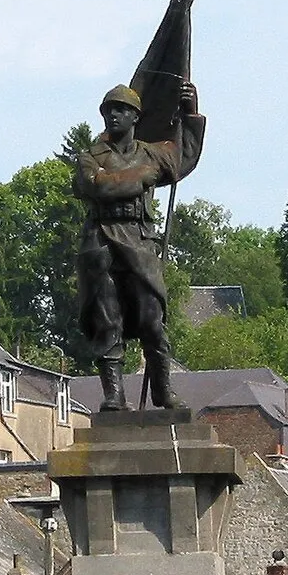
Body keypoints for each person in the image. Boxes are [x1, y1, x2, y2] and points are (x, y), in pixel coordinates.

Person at [73, 81, 204, 411]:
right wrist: (142, 177)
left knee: (151, 319)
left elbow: (182, 158)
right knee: (107, 320)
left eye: (120, 110)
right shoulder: (91, 157)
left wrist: (190, 114)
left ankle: (162, 389)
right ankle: (113, 395)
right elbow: (95, 186)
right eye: (108, 110)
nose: (113, 115)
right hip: (101, 242)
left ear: (135, 117)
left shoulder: (152, 153)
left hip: (139, 240)